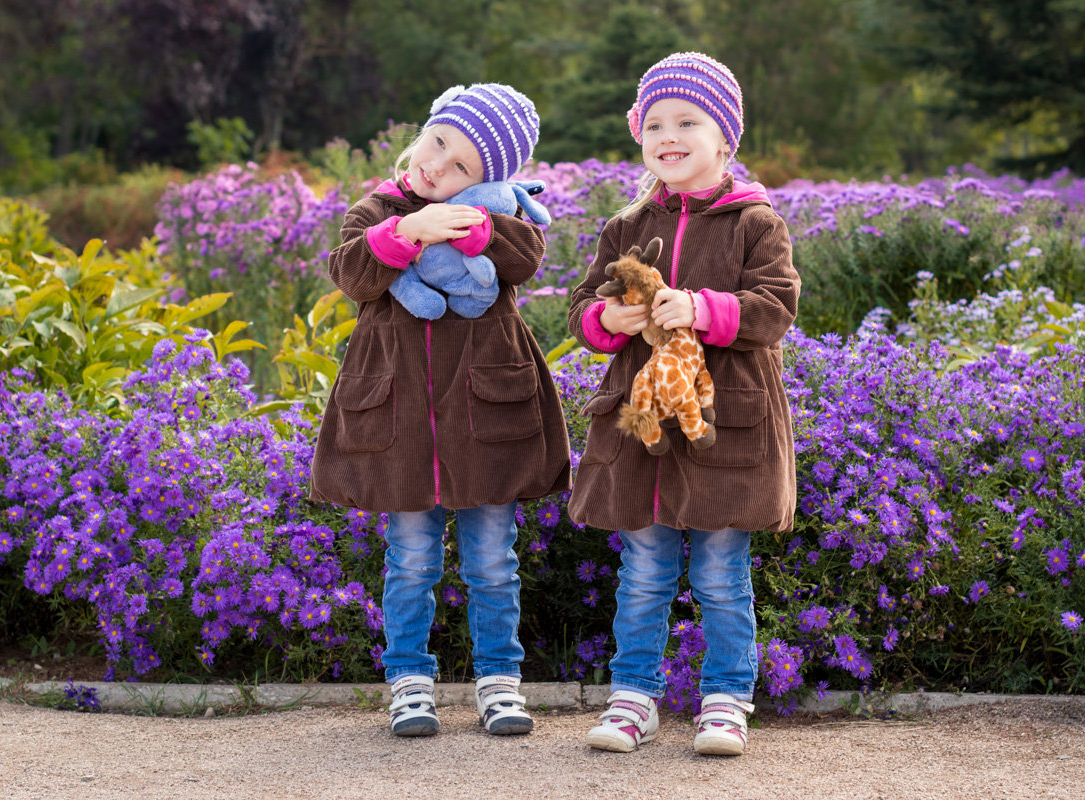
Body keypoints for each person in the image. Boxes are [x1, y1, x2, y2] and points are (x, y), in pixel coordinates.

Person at [310, 83, 571, 738]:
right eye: (439, 144)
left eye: (462, 169)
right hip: (398, 423)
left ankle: (499, 683)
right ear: (425, 130)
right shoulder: (375, 210)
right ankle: (408, 682)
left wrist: (475, 224)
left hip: (485, 420)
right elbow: (350, 271)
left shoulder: (492, 220)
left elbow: (526, 253)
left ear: (488, 183)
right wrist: (406, 232)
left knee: (491, 560)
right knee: (411, 562)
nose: (438, 167)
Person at [567, 52, 800, 756]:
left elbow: (775, 306)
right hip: (643, 431)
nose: (669, 135)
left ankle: (726, 700)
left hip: (723, 427)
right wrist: (609, 322)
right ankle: (632, 698)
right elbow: (583, 307)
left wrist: (701, 307)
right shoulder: (627, 226)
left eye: (688, 121)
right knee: (642, 572)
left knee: (722, 574)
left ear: (723, 136)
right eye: (656, 123)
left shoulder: (755, 222)